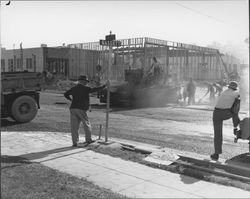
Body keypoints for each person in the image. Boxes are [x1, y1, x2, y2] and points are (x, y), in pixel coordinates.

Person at [64, 75, 107, 147]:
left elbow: (66, 94)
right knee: (87, 124)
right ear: (83, 82)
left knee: (74, 127)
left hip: (73, 108)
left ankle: (75, 142)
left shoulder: (74, 88)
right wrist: (103, 86)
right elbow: (94, 89)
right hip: (81, 109)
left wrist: (71, 100)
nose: (87, 83)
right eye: (86, 81)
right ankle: (88, 140)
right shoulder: (85, 88)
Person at [210, 81, 240, 161]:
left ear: (229, 87)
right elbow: (236, 111)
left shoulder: (224, 92)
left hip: (216, 113)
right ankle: (236, 128)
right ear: (235, 88)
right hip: (225, 113)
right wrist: (235, 125)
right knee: (235, 112)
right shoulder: (236, 94)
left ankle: (216, 154)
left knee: (217, 134)